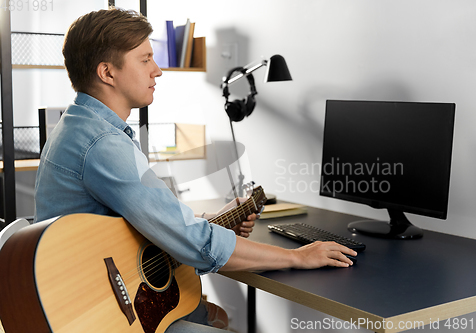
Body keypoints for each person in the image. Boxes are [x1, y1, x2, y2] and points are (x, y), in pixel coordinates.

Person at [34, 8, 357, 332]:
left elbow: (151, 222)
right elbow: (195, 243)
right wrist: (298, 257)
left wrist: (211, 221)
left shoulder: (78, 124)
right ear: (108, 72)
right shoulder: (103, 143)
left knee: (213, 315)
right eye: (145, 59)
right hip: (102, 315)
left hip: (83, 299)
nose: (157, 71)